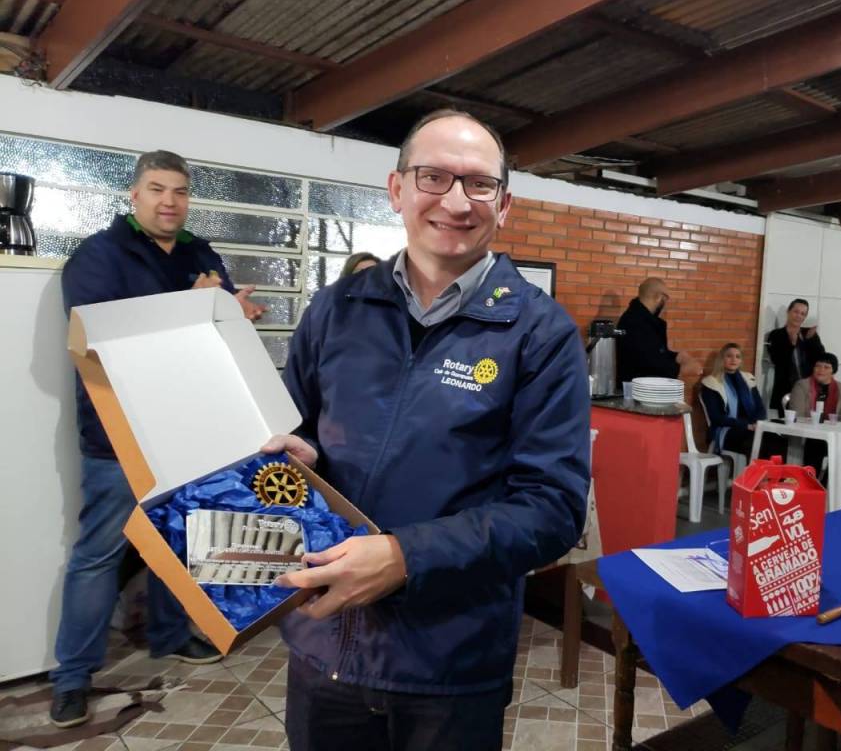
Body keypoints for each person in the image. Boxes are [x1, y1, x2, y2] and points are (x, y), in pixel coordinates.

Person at [262, 110, 589, 751]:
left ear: (504, 204)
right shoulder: (335, 309)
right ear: (397, 189)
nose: (456, 202)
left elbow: (552, 510)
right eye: (433, 177)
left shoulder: (542, 334)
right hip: (324, 644)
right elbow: (295, 438)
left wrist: (406, 558)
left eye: (480, 184)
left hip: (450, 664)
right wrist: (299, 458)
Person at [50, 150, 267, 727]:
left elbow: (216, 325)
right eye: (156, 189)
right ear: (134, 195)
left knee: (179, 540)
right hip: (119, 430)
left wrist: (234, 311)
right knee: (99, 555)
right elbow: (99, 336)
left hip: (190, 426)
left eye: (179, 191)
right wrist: (193, 308)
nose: (169, 201)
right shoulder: (99, 255)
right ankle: (72, 677)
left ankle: (170, 635)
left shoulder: (199, 252)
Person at [700, 343, 785, 460]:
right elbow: (716, 417)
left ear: (741, 361)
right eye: (729, 356)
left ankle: (773, 472)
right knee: (755, 442)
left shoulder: (748, 379)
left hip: (751, 427)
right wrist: (745, 425)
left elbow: (760, 408)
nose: (733, 359)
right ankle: (753, 472)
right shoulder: (711, 382)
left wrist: (756, 424)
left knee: (777, 440)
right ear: (721, 359)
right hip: (727, 429)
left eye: (737, 356)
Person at [789, 353, 841, 477]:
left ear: (833, 370)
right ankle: (811, 482)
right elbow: (797, 416)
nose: (821, 370)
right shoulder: (802, 386)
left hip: (832, 435)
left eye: (826, 367)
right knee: (816, 445)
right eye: (818, 366)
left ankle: (828, 484)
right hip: (809, 434)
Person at [615, 277, 686, 383]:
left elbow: (653, 350)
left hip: (642, 386)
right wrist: (679, 369)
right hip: (636, 388)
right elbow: (649, 361)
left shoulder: (642, 319)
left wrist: (676, 356)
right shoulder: (635, 322)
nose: (666, 305)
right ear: (659, 297)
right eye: (665, 299)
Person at [765, 298, 826, 413]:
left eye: (803, 314)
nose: (798, 316)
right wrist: (792, 344)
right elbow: (777, 360)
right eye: (796, 312)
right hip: (786, 390)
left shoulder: (809, 334)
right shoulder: (776, 335)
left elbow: (821, 359)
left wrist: (811, 341)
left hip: (809, 389)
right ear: (788, 312)